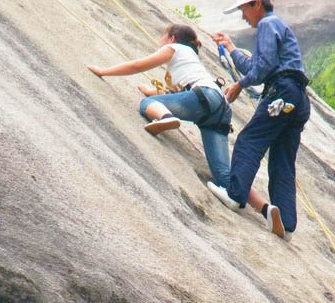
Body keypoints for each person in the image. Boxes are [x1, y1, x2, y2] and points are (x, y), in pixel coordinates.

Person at [210, 0, 311, 239]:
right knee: (282, 161)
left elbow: (263, 68)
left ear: (256, 4)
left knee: (249, 141)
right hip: (297, 98)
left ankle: (235, 196)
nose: (243, 16)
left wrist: (238, 86)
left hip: (281, 91)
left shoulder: (268, 24)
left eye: (244, 9)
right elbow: (257, 67)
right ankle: (286, 225)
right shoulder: (278, 27)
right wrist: (231, 49)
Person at [88, 24, 231, 191]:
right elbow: (177, 94)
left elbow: (137, 66)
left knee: (147, 104)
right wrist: (150, 90)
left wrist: (103, 71)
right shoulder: (191, 59)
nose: (160, 40)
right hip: (220, 108)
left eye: (163, 35)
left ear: (172, 38)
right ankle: (243, 198)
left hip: (203, 97)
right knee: (222, 172)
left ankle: (166, 117)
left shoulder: (174, 47)